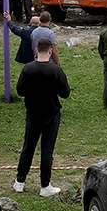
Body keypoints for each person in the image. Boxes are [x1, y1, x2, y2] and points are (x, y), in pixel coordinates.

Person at [14, 37, 70, 195]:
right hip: (51, 113)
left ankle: (20, 181)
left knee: (28, 147)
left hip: (33, 112)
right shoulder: (56, 70)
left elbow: (20, 91)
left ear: (36, 49)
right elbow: (65, 93)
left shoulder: (27, 69)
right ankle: (45, 185)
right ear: (51, 50)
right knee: (47, 149)